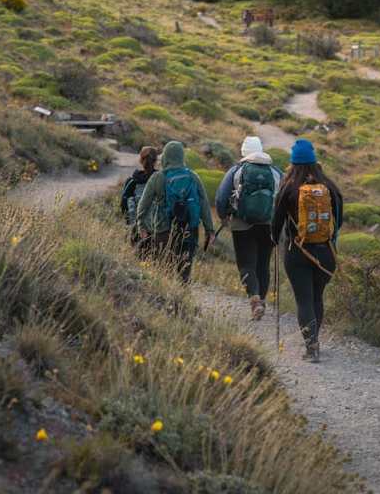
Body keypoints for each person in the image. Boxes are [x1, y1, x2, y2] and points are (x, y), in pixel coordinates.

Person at [271, 138, 343, 363]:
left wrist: (276, 240)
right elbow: (339, 220)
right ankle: (315, 341)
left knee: (304, 300)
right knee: (317, 298)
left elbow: (276, 222)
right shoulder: (330, 186)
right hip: (326, 252)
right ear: (314, 160)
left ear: (293, 162)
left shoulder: (288, 187)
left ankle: (311, 346)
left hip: (297, 251)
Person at [215, 136, 282, 321]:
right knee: (263, 264)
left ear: (243, 152)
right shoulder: (275, 172)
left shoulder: (237, 170)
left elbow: (221, 197)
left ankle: (254, 300)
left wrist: (223, 217)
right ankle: (262, 300)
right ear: (261, 149)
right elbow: (283, 198)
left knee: (246, 264)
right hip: (268, 224)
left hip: (242, 224)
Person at [136, 140, 214, 284]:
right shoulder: (193, 177)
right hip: (189, 230)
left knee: (163, 270)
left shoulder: (158, 177)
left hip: (163, 230)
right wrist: (210, 230)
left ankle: (166, 301)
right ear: (181, 157)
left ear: (165, 157)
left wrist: (141, 225)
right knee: (184, 272)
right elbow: (204, 204)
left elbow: (143, 204)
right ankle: (182, 299)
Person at [120, 145, 159, 253]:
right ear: (156, 161)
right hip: (156, 228)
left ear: (141, 160)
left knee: (136, 256)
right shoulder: (160, 180)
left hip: (135, 227)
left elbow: (123, 205)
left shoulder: (132, 181)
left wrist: (130, 222)